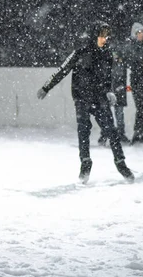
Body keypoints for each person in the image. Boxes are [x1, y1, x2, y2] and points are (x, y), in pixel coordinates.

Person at [37, 21, 135, 184]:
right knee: (83, 132)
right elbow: (62, 70)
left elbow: (108, 76)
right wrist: (46, 87)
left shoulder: (107, 54)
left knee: (111, 131)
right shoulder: (80, 53)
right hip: (82, 99)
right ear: (94, 35)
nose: (105, 39)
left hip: (100, 99)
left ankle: (121, 164)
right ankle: (85, 164)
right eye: (102, 35)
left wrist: (109, 90)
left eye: (107, 35)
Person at [98, 33, 130, 145]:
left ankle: (114, 133)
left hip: (116, 87)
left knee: (116, 112)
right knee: (108, 113)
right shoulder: (106, 56)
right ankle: (106, 134)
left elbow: (119, 72)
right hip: (110, 87)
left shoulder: (117, 57)